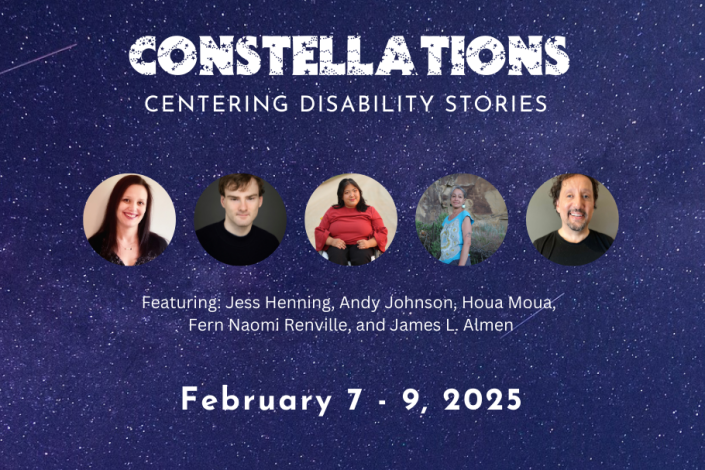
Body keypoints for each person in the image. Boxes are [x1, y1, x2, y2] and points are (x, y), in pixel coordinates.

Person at [196, 174, 280, 266]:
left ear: (260, 201)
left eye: (250, 198)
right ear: (223, 201)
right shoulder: (200, 240)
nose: (243, 208)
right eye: (234, 199)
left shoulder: (271, 243)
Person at [533, 173, 614, 266]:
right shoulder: (539, 248)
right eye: (569, 195)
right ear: (557, 205)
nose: (578, 205)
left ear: (593, 205)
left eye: (586, 196)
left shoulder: (609, 245)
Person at [88, 175, 168, 266]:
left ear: (146, 209)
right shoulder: (93, 245)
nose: (133, 208)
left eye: (140, 203)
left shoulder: (159, 246)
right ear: (115, 203)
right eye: (126, 200)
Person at [315, 178, 388, 266]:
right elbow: (319, 232)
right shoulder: (332, 211)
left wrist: (369, 243)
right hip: (337, 246)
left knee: (361, 257)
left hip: (363, 246)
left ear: (359, 193)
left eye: (355, 191)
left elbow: (382, 232)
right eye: (347, 192)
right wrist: (331, 241)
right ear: (341, 196)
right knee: (336, 257)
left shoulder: (370, 210)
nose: (352, 195)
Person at [439, 186, 474, 266]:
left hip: (458, 261)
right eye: (454, 196)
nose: (456, 199)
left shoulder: (464, 216)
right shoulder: (446, 219)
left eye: (460, 197)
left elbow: (467, 242)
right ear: (450, 199)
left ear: (464, 200)